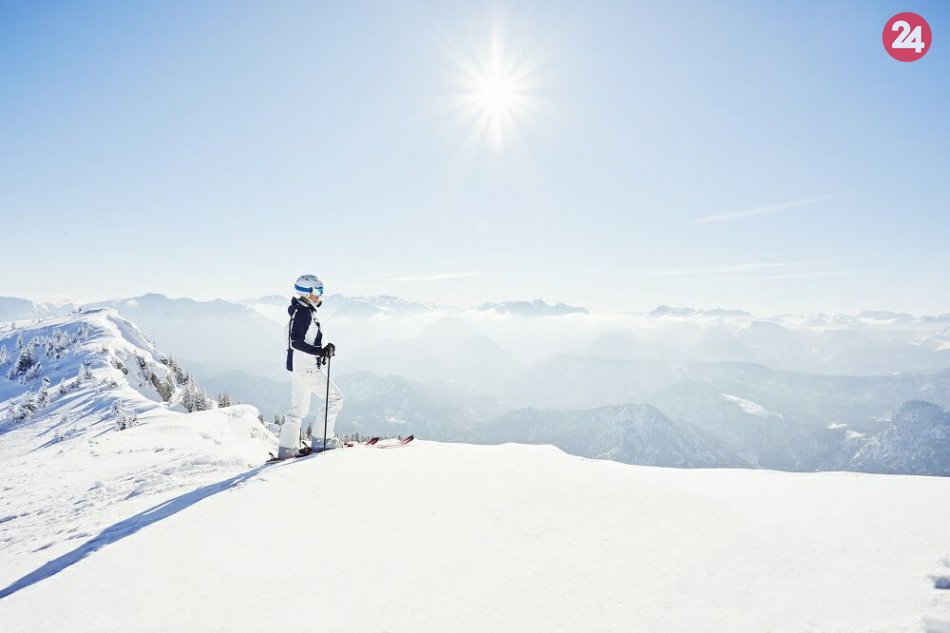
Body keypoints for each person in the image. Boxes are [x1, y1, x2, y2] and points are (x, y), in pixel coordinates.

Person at [282, 274, 343, 455]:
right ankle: (322, 440)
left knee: (298, 410)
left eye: (321, 290)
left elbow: (297, 341)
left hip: (297, 368)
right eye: (317, 290)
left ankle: (286, 449)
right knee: (335, 399)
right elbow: (296, 342)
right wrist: (320, 352)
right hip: (306, 368)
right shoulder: (303, 313)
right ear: (306, 292)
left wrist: (321, 350)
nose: (320, 294)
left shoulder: (299, 311)